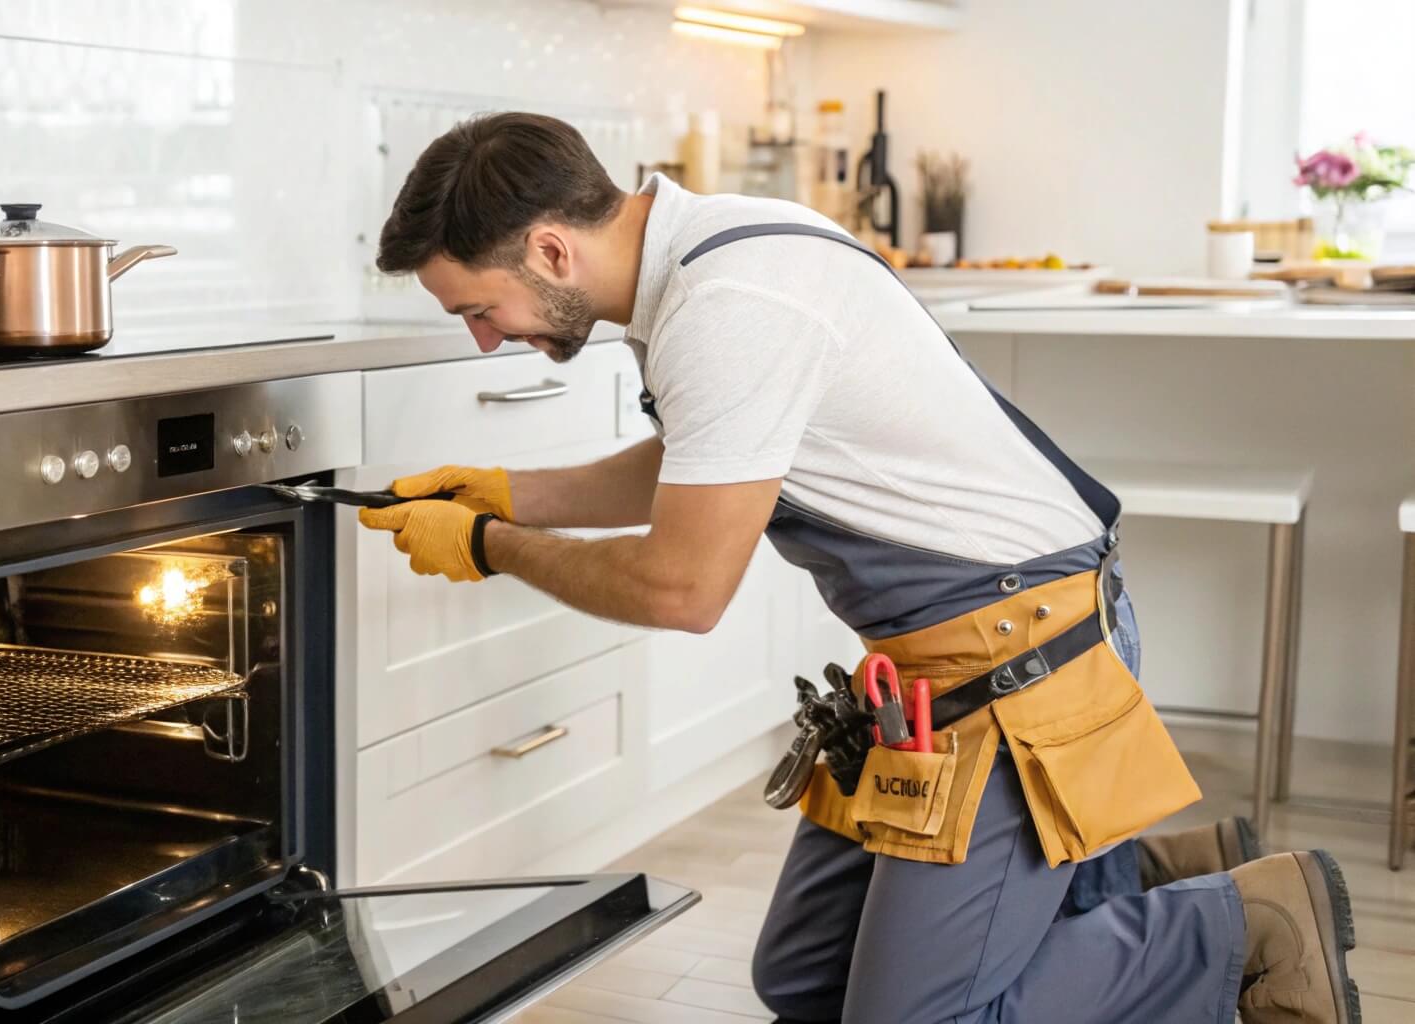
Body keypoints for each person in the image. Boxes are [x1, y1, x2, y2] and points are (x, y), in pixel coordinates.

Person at [361, 111, 1360, 1024]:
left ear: (548, 248)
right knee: (801, 979)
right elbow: (712, 456)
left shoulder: (728, 303)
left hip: (1024, 669)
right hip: (940, 675)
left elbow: (682, 587)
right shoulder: (708, 255)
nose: (485, 338)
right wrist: (508, 487)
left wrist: (492, 547)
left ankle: (1240, 926)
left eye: (479, 308)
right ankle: (1123, 885)